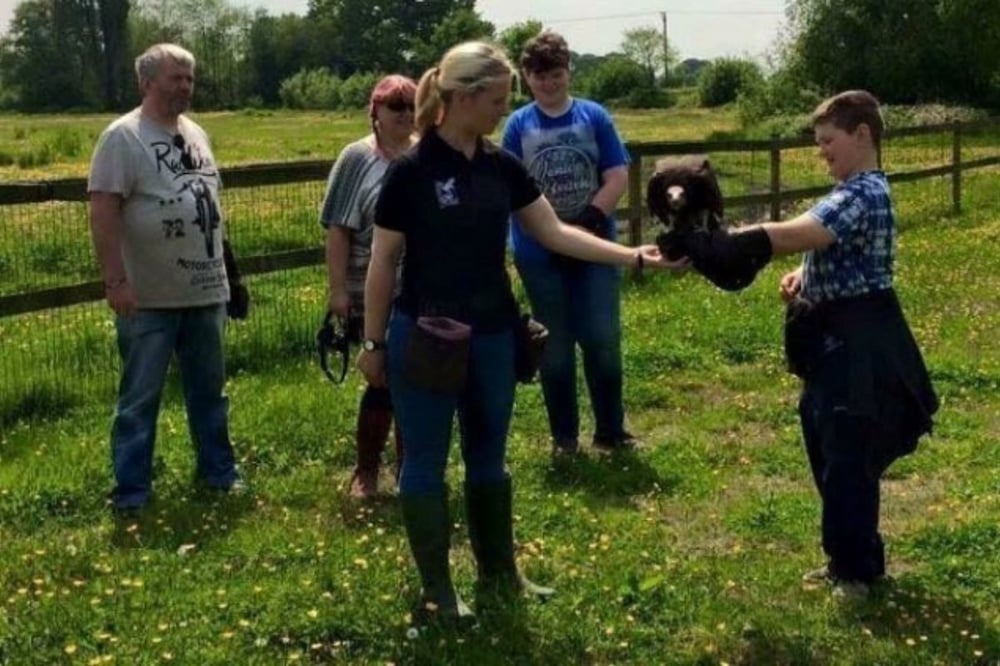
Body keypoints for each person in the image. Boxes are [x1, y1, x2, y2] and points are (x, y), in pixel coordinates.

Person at [356, 41, 688, 625]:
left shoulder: (501, 167)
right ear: (462, 97)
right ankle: (437, 592)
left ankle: (499, 574)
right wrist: (374, 342)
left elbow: (555, 232)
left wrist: (633, 255)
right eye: (497, 99)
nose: (504, 111)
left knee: (490, 457)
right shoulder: (410, 171)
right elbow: (384, 262)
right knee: (425, 462)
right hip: (425, 335)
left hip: (492, 334)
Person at [652, 90, 938, 598]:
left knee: (848, 452)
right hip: (832, 330)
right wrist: (802, 275)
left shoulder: (863, 193)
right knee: (827, 442)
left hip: (858, 337)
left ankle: (855, 574)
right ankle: (853, 560)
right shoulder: (849, 189)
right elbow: (821, 246)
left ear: (862, 135)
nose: (821, 151)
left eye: (828, 141)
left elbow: (797, 232)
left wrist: (736, 242)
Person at [87, 43, 241, 511]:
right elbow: (103, 209)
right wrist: (116, 282)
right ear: (147, 82)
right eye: (176, 78)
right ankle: (132, 492)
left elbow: (212, 205)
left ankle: (218, 473)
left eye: (190, 78)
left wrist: (230, 274)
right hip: (149, 297)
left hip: (204, 291)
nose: (185, 86)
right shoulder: (123, 137)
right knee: (139, 400)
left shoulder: (196, 133)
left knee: (209, 394)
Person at [502, 31, 635, 456]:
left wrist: (594, 215)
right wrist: (540, 230)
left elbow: (617, 173)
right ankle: (564, 438)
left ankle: (611, 430)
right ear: (526, 77)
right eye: (539, 76)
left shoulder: (593, 116)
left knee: (601, 337)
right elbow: (508, 185)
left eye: (556, 74)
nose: (549, 83)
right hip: (539, 251)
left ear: (568, 72)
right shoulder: (518, 125)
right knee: (554, 346)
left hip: (595, 245)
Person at [320, 74, 417, 499]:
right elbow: (338, 229)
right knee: (385, 377)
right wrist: (337, 289)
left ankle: (409, 468)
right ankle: (368, 469)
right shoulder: (356, 158)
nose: (405, 115)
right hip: (369, 286)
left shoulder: (421, 156)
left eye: (412, 106)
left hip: (419, 286)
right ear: (375, 112)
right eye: (396, 107)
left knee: (412, 379)